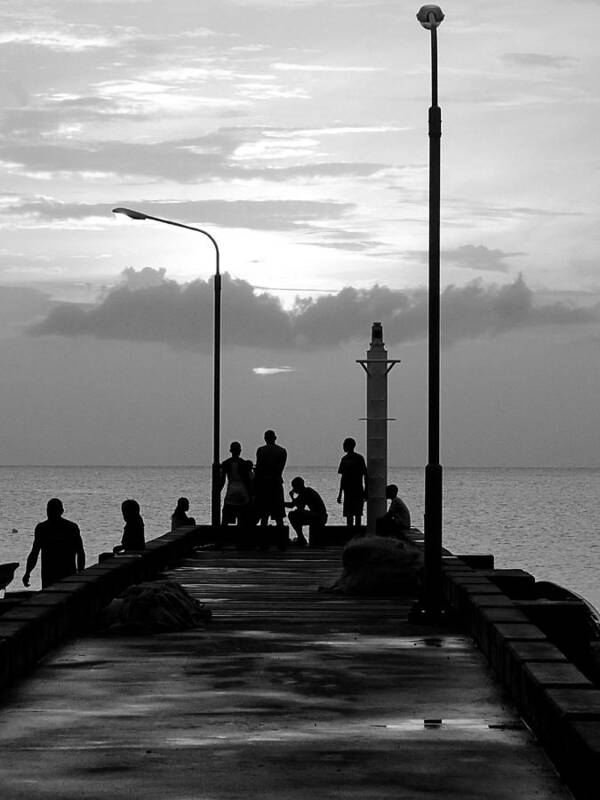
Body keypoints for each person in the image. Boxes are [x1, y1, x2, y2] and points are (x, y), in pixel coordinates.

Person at [22, 498, 85, 589]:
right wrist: (27, 572)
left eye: (52, 510)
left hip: (64, 576)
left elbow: (80, 552)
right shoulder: (70, 527)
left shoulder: (43, 528)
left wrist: (80, 573)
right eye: (49, 510)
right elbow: (34, 553)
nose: (50, 513)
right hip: (53, 576)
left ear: (61, 511)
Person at [254, 430, 287, 528]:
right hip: (276, 483)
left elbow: (259, 469)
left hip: (264, 484)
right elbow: (281, 468)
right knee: (279, 516)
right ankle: (281, 539)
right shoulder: (282, 451)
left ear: (265, 438)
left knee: (264, 515)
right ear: (275, 438)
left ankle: (263, 540)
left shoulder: (261, 450)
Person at [285, 476, 328, 547]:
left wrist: (282, 502)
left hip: (319, 517)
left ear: (298, 486)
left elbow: (293, 505)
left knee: (292, 515)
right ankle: (301, 538)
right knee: (296, 513)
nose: (293, 489)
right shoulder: (306, 491)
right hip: (320, 517)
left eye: (294, 487)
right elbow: (299, 506)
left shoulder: (305, 493)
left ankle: (301, 538)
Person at [337, 437, 368, 529]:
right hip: (349, 491)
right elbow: (343, 478)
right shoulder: (345, 459)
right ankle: (351, 534)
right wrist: (340, 494)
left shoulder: (358, 458)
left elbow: (365, 475)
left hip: (357, 490)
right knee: (349, 515)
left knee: (357, 514)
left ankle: (356, 534)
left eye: (345, 445)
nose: (343, 446)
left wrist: (366, 491)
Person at [220, 442, 254, 526]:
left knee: (226, 518)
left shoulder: (226, 463)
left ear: (230, 451)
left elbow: (222, 480)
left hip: (231, 490)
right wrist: (251, 495)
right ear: (240, 451)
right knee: (242, 518)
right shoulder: (244, 463)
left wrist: (218, 491)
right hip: (242, 491)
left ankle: (222, 536)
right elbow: (249, 480)